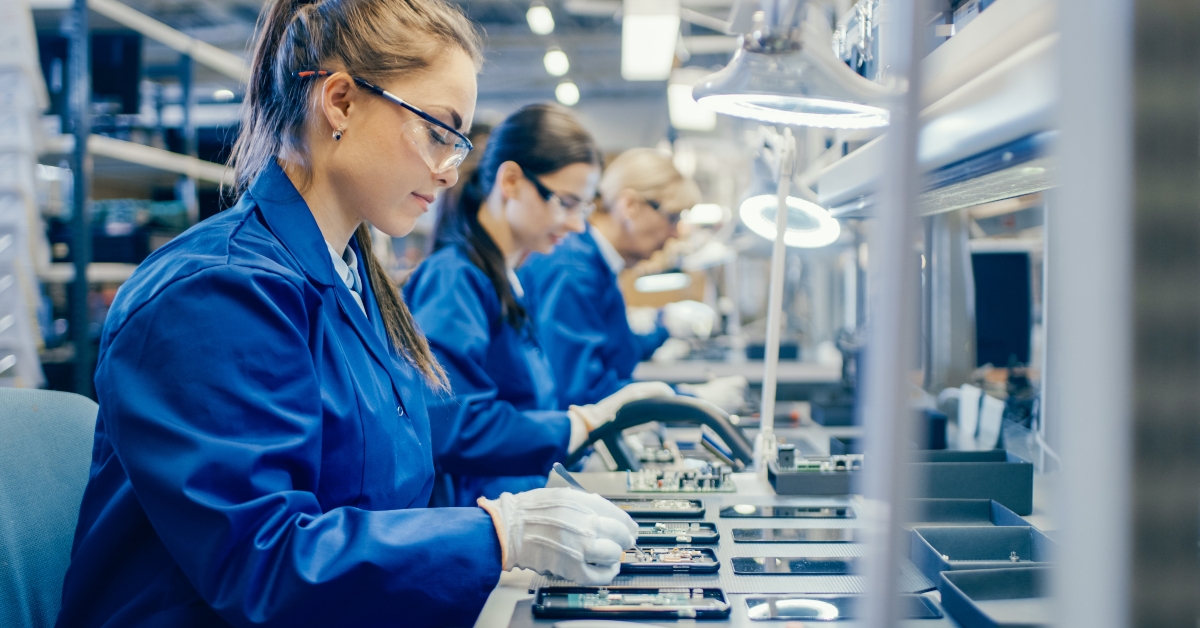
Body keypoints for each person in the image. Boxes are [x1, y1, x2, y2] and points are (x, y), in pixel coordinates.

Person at [54, 0, 636, 625]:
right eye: (439, 131)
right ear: (340, 102)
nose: (448, 172)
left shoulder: (355, 280)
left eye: (458, 145)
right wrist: (495, 535)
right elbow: (266, 562)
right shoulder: (214, 293)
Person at [404, 105, 674, 508]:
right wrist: (576, 426)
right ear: (511, 181)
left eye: (583, 207)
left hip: (517, 503)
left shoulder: (507, 281)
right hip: (479, 523)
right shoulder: (455, 280)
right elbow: (451, 425)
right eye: (565, 203)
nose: (577, 224)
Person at [521, 148, 746, 412]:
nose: (675, 233)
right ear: (630, 206)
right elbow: (582, 392)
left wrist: (662, 326)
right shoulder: (572, 270)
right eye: (671, 217)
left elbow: (611, 352)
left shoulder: (597, 264)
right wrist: (688, 401)